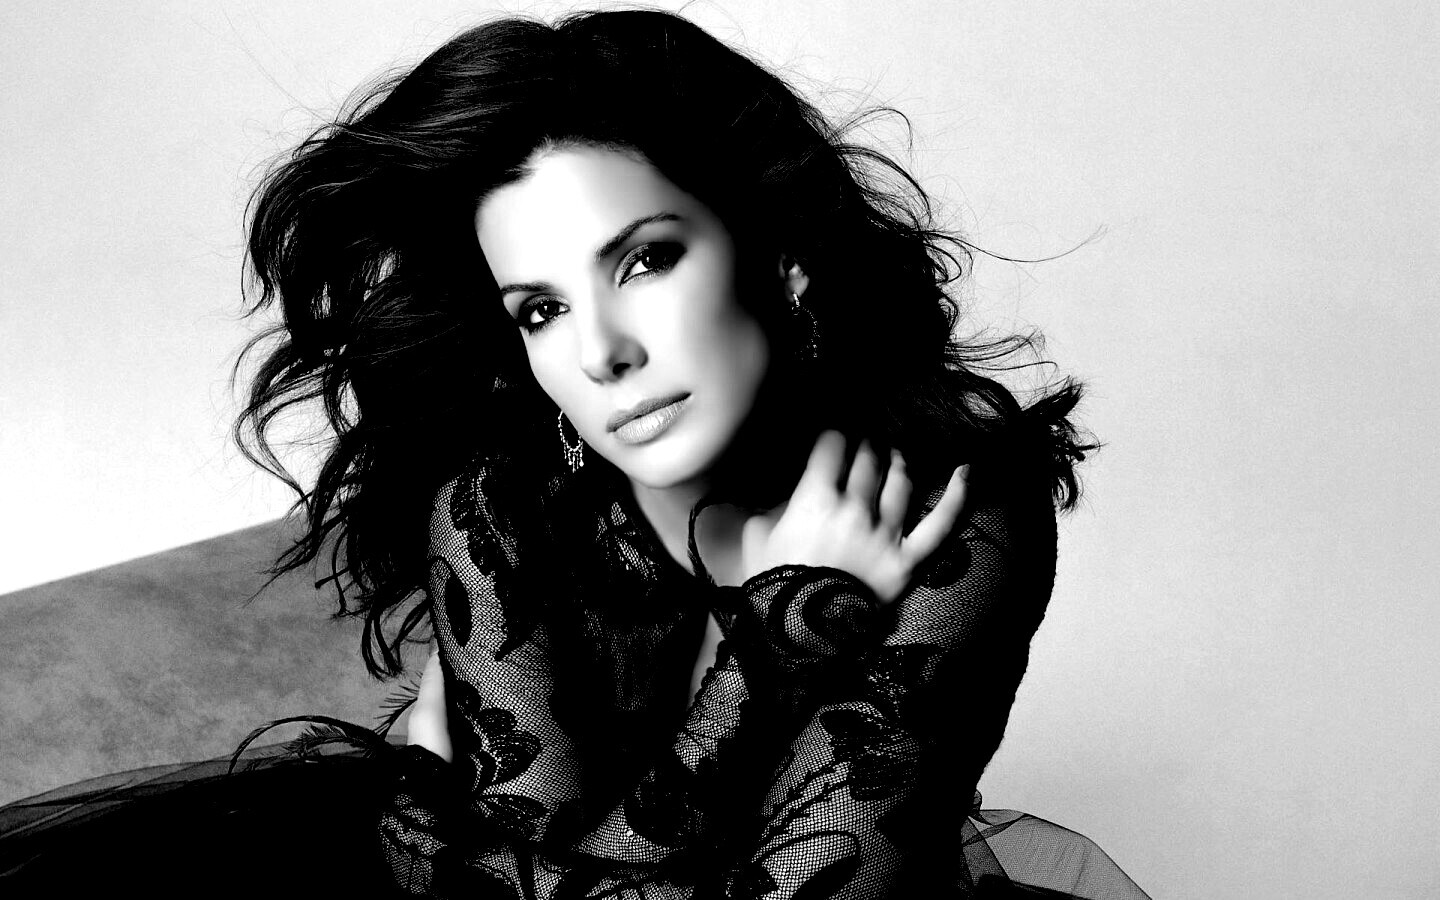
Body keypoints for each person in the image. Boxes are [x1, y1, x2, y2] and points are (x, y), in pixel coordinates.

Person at [0, 8, 1149, 899]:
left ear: (777, 253)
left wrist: (435, 835)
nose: (601, 353)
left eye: (644, 261)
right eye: (541, 310)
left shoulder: (949, 498)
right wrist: (778, 643)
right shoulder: (502, 502)